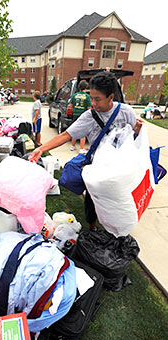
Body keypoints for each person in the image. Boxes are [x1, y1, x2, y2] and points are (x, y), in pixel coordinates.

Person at [29, 71, 142, 231]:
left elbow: (133, 138)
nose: (93, 103)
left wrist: (137, 131)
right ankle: (93, 226)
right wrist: (41, 149)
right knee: (93, 197)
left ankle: (116, 225)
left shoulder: (126, 112)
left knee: (117, 197)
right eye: (92, 97)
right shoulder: (89, 116)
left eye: (98, 99)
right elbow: (66, 135)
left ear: (111, 97)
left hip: (120, 168)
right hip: (98, 166)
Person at [69, 80, 91, 153]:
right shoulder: (87, 96)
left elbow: (70, 106)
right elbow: (89, 108)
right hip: (83, 116)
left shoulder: (74, 95)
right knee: (83, 131)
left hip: (75, 114)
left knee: (74, 130)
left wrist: (75, 110)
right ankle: (81, 148)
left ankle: (72, 146)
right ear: (86, 87)